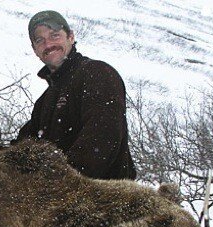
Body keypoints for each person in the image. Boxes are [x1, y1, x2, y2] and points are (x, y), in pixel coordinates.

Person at [17, 11, 136, 180]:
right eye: (40, 40)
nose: (48, 44)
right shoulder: (44, 101)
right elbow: (21, 149)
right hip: (62, 199)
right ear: (35, 50)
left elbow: (102, 140)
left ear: (70, 37)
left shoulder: (97, 73)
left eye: (55, 36)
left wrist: (59, 183)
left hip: (105, 199)